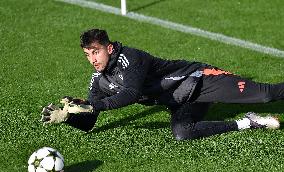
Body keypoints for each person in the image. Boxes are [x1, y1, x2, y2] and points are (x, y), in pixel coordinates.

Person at [41, 28, 283, 140]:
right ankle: (248, 122)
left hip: (201, 80)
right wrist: (69, 117)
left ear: (110, 48)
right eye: (87, 54)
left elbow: (131, 93)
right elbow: (90, 121)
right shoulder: (99, 80)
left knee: (266, 96)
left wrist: (96, 106)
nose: (92, 60)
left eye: (96, 52)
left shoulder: (131, 58)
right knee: (182, 132)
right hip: (181, 100)